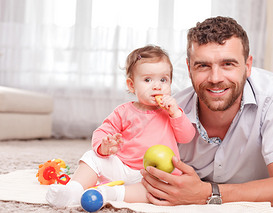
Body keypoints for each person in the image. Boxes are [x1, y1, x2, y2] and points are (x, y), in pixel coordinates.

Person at [140, 16, 273, 207]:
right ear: (189, 69)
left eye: (228, 64)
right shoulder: (171, 111)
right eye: (203, 65)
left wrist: (208, 193)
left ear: (247, 66)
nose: (215, 78)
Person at [46, 45, 195, 207]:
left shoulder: (171, 112)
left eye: (163, 80)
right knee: (91, 157)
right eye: (147, 80)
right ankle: (73, 190)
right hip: (123, 166)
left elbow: (187, 137)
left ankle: (109, 193)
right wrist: (104, 146)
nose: (157, 86)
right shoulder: (123, 111)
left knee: (160, 191)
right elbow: (102, 131)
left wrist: (176, 114)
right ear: (132, 85)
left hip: (152, 174)